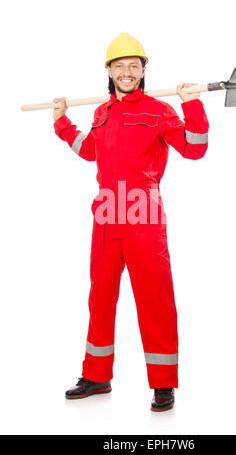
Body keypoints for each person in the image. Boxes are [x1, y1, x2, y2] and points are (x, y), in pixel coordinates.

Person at [53, 33, 209, 412]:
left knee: (155, 302)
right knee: (100, 299)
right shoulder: (101, 113)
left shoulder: (160, 110)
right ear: (109, 71)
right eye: (119, 66)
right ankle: (96, 376)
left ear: (143, 71)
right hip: (106, 216)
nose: (126, 72)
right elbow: (90, 151)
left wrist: (193, 105)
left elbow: (195, 147)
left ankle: (163, 384)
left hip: (143, 218)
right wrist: (62, 124)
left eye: (133, 66)